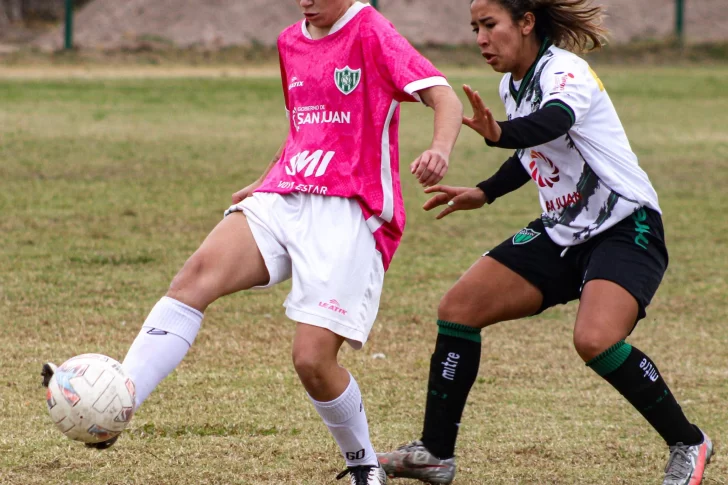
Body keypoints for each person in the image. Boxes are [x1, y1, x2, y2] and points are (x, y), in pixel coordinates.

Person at [40, 1, 463, 484]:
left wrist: (440, 149)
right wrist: (267, 179)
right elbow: (303, 130)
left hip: (349, 211)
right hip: (286, 195)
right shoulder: (290, 41)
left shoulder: (370, 30)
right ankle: (118, 400)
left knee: (312, 360)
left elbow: (442, 94)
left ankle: (365, 466)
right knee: (193, 280)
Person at [376, 1, 712, 484]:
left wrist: (499, 133)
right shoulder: (512, 84)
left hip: (625, 225)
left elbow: (552, 122)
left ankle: (689, 442)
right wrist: (485, 191)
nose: (481, 40)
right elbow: (532, 151)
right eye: (475, 29)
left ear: (526, 22)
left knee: (595, 340)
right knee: (458, 309)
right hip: (562, 229)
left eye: (490, 25)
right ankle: (435, 454)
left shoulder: (565, 72)